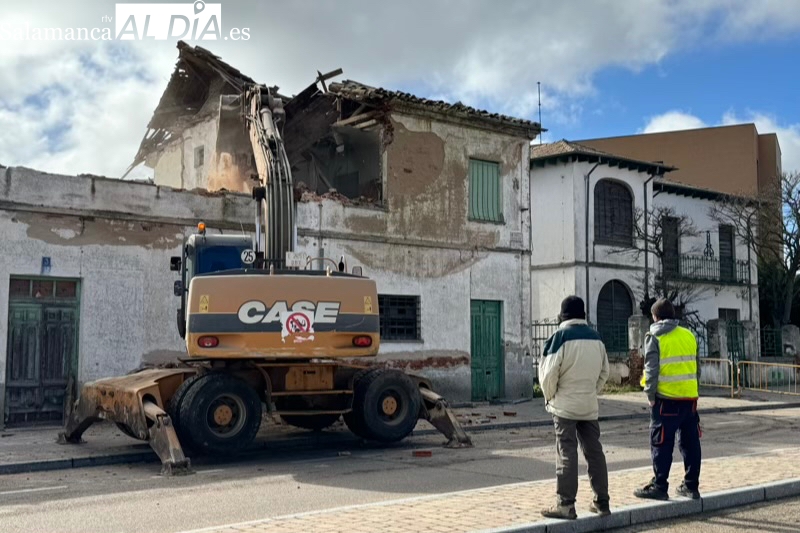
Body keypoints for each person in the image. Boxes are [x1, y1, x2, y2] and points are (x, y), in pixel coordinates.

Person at [539, 296, 611, 520]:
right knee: (594, 452)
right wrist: (591, 390)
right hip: (588, 406)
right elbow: (604, 372)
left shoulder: (558, 338)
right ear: (583, 316)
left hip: (564, 407)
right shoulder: (597, 338)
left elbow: (548, 376)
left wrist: (551, 397)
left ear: (562, 316)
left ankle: (566, 504)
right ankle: (602, 501)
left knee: (566, 453)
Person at [634, 298, 702, 501]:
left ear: (655, 317)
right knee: (690, 443)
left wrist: (650, 395)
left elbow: (651, 370)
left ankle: (660, 485)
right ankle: (691, 486)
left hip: (665, 400)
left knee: (661, 443)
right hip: (689, 399)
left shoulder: (654, 336)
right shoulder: (689, 335)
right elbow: (696, 367)